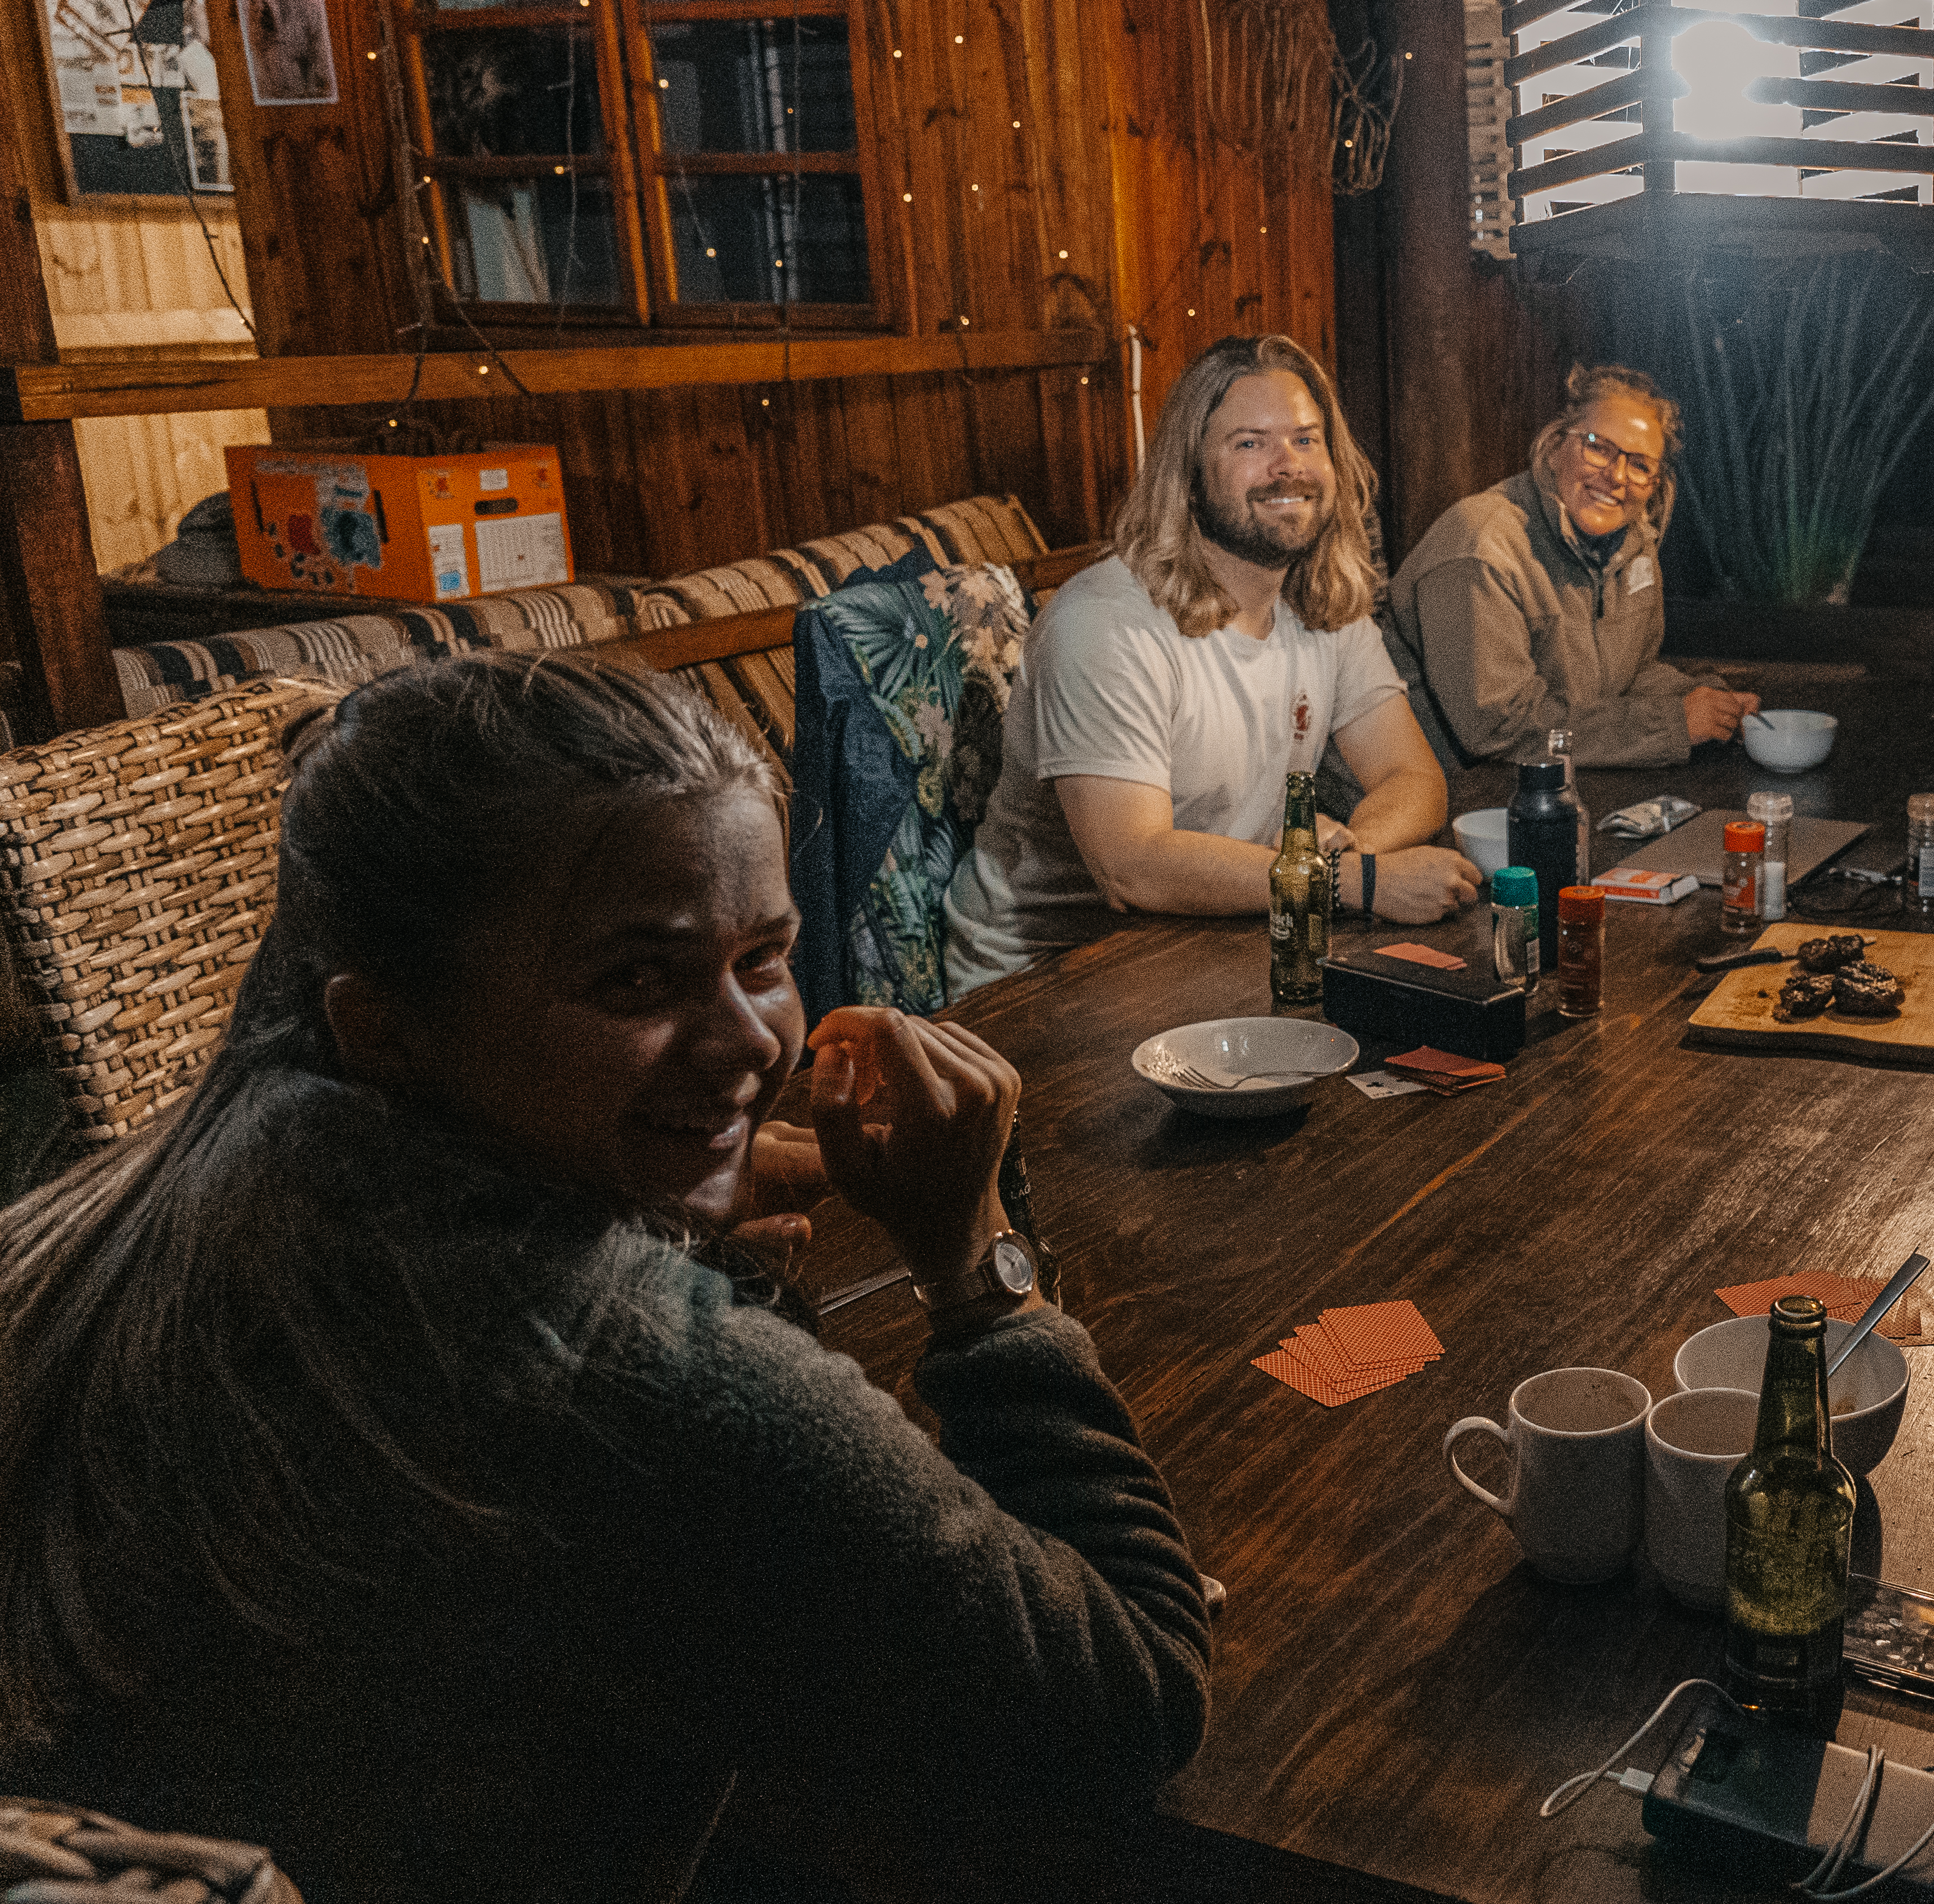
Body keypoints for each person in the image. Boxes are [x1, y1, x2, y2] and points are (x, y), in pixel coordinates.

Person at [0, 653, 1211, 1903]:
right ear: (390, 1030)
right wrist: (973, 1259)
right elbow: (1132, 1692)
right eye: (635, 978)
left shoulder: (133, 1219)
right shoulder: (612, 1372)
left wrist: (648, 1213)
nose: (750, 1042)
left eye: (765, 956)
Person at [945, 333, 1480, 995]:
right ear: (1190, 477)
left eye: (1307, 440)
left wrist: (1343, 855)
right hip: (1044, 976)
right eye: (1250, 444)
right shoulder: (1106, 623)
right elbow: (1133, 867)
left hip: (1219, 935)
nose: (1289, 466)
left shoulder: (1323, 601)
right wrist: (1356, 883)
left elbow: (1413, 778)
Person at [1384, 363, 1758, 770]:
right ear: (1555, 446)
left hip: (1543, 781)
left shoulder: (1634, 546)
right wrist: (1672, 724)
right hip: (1432, 787)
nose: (1617, 476)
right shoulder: (1483, 546)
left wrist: (1709, 703)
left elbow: (1628, 679)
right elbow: (1501, 728)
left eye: (1640, 465)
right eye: (1598, 447)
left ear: (1655, 486)